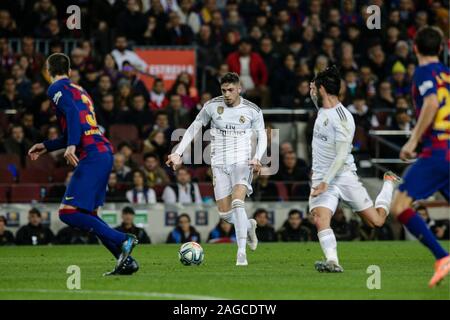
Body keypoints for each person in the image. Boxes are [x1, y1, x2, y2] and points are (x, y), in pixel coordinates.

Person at [27, 53, 138, 276]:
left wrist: (71, 146)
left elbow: (72, 115)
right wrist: (46, 145)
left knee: (67, 213)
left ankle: (124, 238)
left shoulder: (55, 89)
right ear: (69, 70)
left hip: (92, 154)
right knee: (90, 215)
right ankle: (124, 261)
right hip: (102, 151)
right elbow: (73, 129)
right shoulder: (80, 90)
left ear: (49, 72)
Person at [166, 72, 267, 266]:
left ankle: (241, 254)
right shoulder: (212, 106)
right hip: (218, 164)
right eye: (224, 90)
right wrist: (178, 152)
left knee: (238, 203)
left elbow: (262, 136)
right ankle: (248, 225)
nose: (227, 94)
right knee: (225, 214)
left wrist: (257, 158)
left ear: (239, 89)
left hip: (242, 162)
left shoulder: (252, 110)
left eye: (231, 90)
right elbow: (195, 127)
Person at [308, 65, 401, 273]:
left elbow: (341, 156)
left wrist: (325, 182)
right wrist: (314, 87)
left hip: (343, 176)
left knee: (376, 222)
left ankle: (388, 182)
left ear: (323, 90)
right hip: (322, 177)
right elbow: (316, 97)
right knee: (320, 217)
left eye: (316, 88)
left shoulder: (343, 119)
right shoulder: (323, 107)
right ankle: (332, 261)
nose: (313, 91)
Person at [390, 27, 450, 287]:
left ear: (415, 49)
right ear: (440, 49)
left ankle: (442, 257)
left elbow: (431, 103)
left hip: (438, 151)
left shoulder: (424, 73)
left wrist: (412, 141)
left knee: (400, 206)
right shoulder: (448, 75)